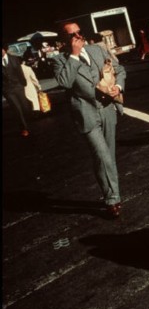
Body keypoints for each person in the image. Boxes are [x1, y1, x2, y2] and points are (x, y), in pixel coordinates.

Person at [53, 22, 127, 219]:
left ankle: (110, 193)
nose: (78, 37)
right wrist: (74, 55)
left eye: (79, 32)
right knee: (102, 155)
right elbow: (65, 82)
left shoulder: (97, 50)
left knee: (108, 156)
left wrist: (118, 87)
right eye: (72, 35)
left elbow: (119, 70)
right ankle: (113, 199)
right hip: (86, 114)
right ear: (64, 40)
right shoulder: (60, 60)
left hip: (107, 109)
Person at [2, 43, 31, 137]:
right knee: (17, 109)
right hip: (8, 90)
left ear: (4, 49)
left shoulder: (14, 59)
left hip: (18, 87)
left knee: (25, 107)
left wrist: (23, 84)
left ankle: (29, 122)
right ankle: (24, 128)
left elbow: (20, 72)